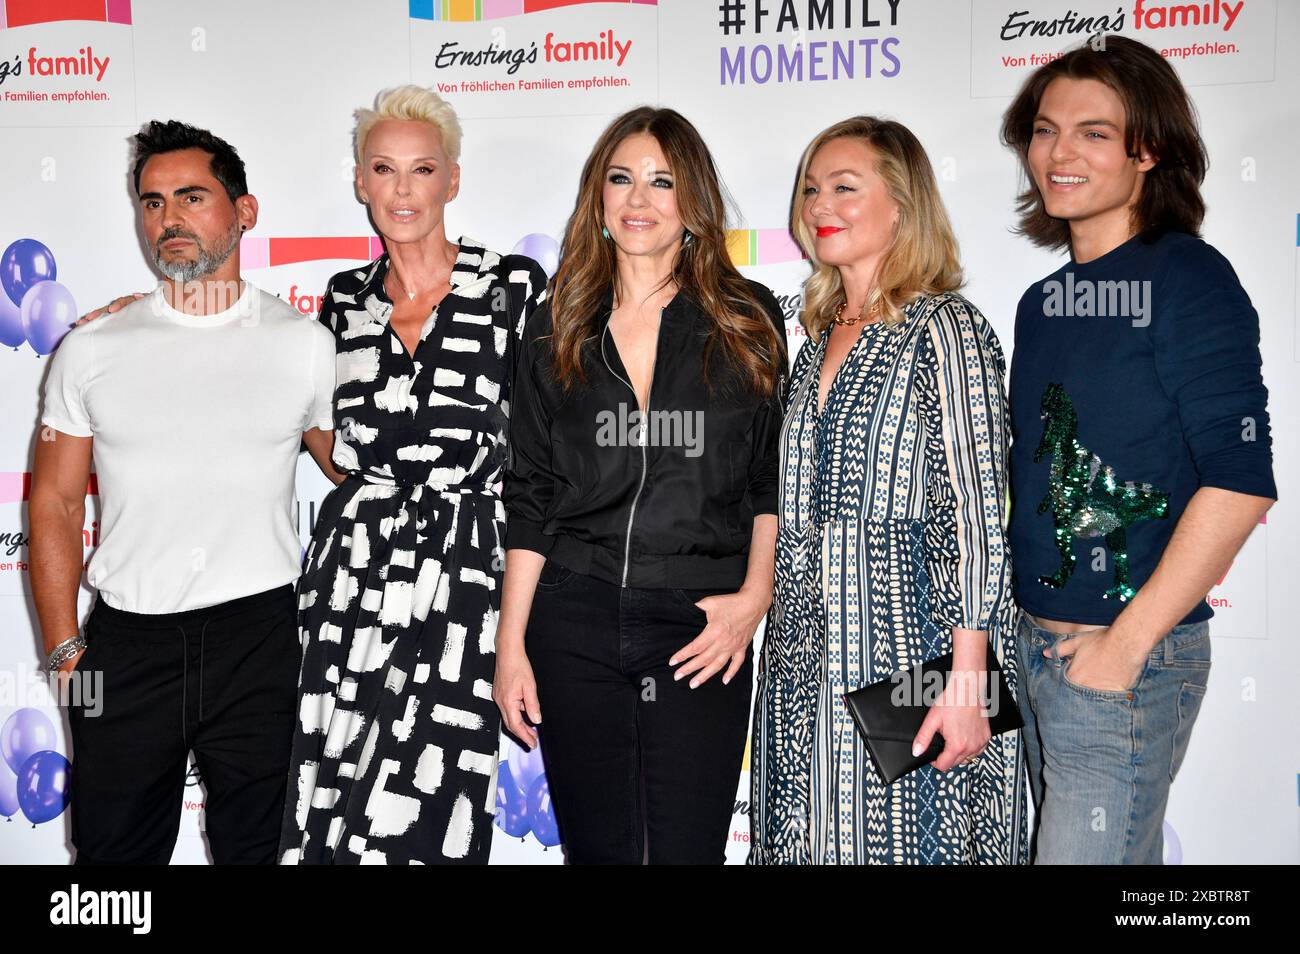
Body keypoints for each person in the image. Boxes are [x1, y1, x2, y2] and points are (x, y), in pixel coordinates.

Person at [29, 120, 336, 864]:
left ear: (245, 212)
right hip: (126, 644)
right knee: (112, 869)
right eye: (152, 202)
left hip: (260, 640)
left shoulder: (306, 344)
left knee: (260, 852)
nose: (168, 219)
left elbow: (359, 468)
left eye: (192, 197)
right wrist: (68, 654)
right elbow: (55, 505)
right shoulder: (92, 348)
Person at [1000, 35, 1275, 864]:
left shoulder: (1189, 278)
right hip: (1033, 651)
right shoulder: (1041, 304)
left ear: (1148, 149)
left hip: (1126, 658)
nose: (1059, 153)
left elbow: (1239, 482)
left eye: (1093, 132)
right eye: (1045, 130)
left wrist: (1125, 645)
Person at [494, 106, 786, 864]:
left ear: (692, 202)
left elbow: (767, 477)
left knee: (685, 852)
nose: (639, 199)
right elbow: (530, 493)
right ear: (598, 196)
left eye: (662, 182)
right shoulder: (555, 319)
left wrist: (756, 596)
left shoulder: (745, 318)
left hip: (698, 623)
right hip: (573, 621)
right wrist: (512, 642)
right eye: (621, 179)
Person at [276, 86, 548, 864]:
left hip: (466, 572)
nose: (402, 190)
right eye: (384, 169)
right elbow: (328, 441)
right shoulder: (343, 301)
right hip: (352, 573)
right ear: (359, 181)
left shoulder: (514, 288)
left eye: (421, 169)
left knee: (434, 793)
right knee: (331, 773)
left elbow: (545, 445)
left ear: (451, 182)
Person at [749, 117, 1027, 865]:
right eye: (811, 188)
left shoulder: (946, 327)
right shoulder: (808, 346)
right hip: (803, 670)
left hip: (915, 662)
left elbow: (975, 512)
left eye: (845, 186)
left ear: (902, 206)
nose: (819, 204)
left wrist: (969, 680)